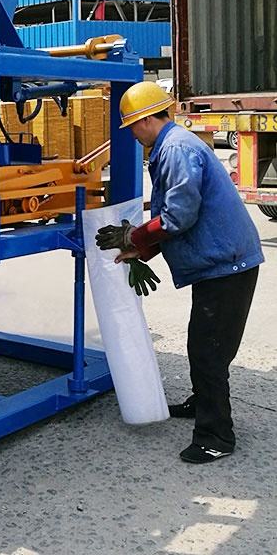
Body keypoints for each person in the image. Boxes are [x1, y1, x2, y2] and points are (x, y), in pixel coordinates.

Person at [95, 81, 263, 464]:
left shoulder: (175, 149)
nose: (132, 135)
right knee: (205, 345)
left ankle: (215, 437)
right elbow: (179, 219)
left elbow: (178, 217)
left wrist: (133, 236)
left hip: (227, 266)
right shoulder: (173, 145)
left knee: (207, 352)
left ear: (145, 120)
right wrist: (142, 248)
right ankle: (203, 402)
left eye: (131, 126)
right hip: (222, 262)